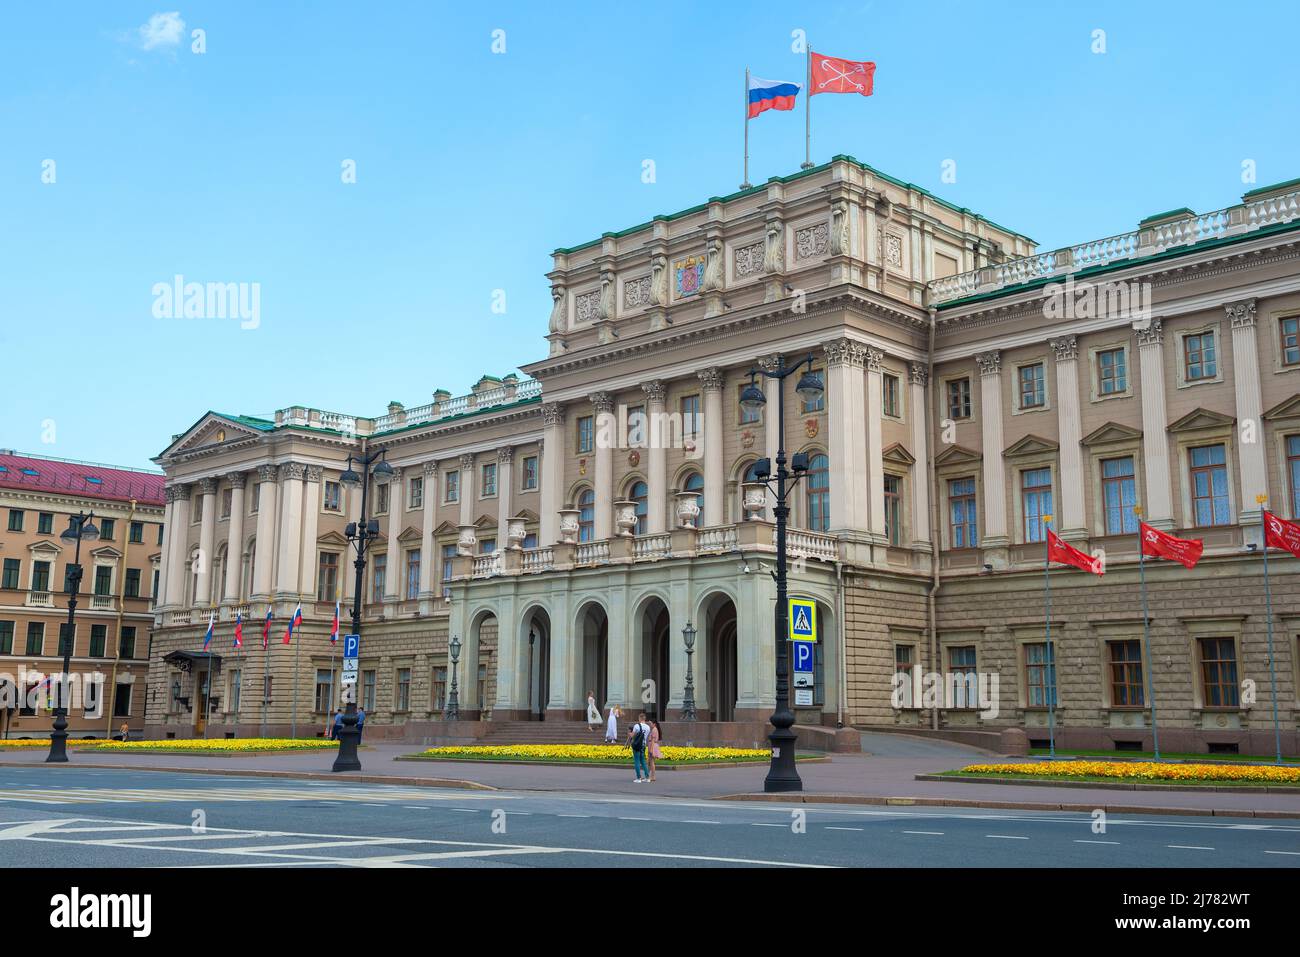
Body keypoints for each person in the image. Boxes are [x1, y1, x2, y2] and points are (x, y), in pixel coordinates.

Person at [627, 713, 651, 783]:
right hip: (643, 745)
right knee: (643, 761)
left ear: (640, 718)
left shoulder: (636, 726)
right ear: (644, 719)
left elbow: (632, 736)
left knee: (637, 761)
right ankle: (647, 777)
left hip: (637, 745)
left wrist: (629, 732)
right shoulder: (648, 727)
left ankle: (638, 778)